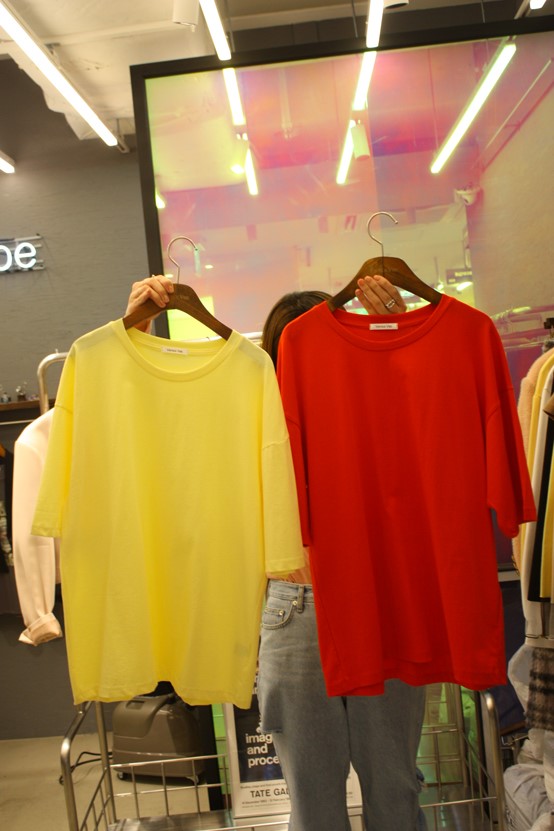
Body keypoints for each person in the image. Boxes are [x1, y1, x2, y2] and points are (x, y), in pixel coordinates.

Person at [124, 273, 426, 831]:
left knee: (394, 789)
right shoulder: (251, 409)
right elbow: (156, 416)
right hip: (297, 602)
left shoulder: (377, 403)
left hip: (370, 604)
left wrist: (395, 334)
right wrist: (135, 330)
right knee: (316, 800)